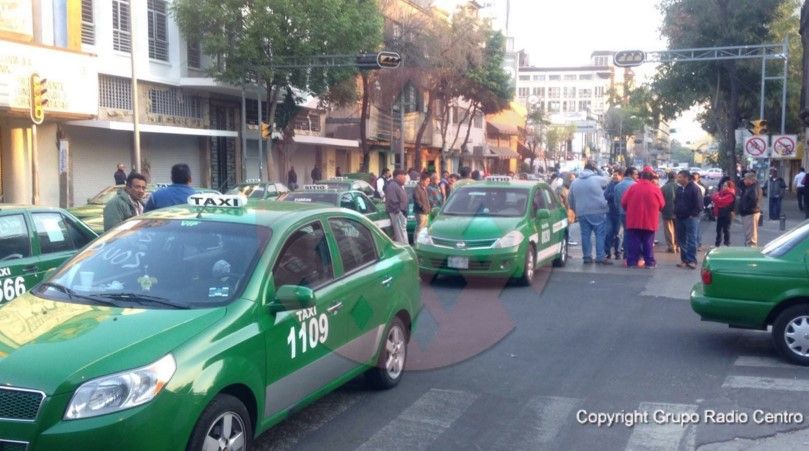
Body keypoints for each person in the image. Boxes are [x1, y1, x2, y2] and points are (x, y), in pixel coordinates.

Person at [621, 168, 665, 268]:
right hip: (650, 220)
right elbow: (662, 204)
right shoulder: (655, 189)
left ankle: (631, 262)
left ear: (641, 177)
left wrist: (629, 210)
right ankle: (650, 263)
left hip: (633, 220)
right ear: (651, 178)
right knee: (648, 243)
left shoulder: (632, 188)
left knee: (633, 243)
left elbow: (624, 202)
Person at [568, 162, 611, 265]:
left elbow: (570, 198)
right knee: (600, 234)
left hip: (582, 212)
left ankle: (587, 257)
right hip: (598, 211)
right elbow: (608, 179)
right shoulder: (597, 179)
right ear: (593, 170)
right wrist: (599, 169)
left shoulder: (575, 182)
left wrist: (574, 209)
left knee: (585, 235)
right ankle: (600, 257)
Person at [674, 170, 702, 269]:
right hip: (680, 217)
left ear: (686, 178)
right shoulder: (679, 189)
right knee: (681, 239)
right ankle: (684, 260)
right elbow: (676, 202)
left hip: (691, 218)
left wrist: (692, 214)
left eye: (680, 177)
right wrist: (676, 212)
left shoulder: (694, 188)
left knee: (691, 239)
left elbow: (699, 204)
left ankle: (692, 260)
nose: (678, 179)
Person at [614, 167, 638, 258]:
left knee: (626, 233)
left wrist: (620, 209)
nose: (637, 176)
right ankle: (631, 254)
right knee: (633, 234)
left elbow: (616, 202)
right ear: (630, 174)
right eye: (635, 174)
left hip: (622, 213)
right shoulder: (635, 185)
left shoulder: (618, 186)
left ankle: (626, 254)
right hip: (633, 214)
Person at [603, 169, 624, 259]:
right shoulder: (610, 184)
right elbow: (605, 195)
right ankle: (607, 252)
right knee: (608, 232)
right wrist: (614, 194)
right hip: (610, 212)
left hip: (619, 213)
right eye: (613, 175)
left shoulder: (622, 185)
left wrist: (612, 195)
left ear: (621, 176)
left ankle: (617, 252)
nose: (614, 177)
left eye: (616, 175)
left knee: (618, 234)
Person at [384, 169, 409, 244]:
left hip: (400, 214)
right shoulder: (392, 186)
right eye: (403, 176)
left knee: (402, 235)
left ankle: (405, 248)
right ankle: (403, 249)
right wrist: (399, 212)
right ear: (398, 176)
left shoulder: (398, 185)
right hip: (397, 214)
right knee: (401, 237)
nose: (405, 178)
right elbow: (392, 201)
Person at [739, 172, 762, 247]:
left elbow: (754, 200)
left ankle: (751, 249)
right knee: (748, 233)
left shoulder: (754, 188)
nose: (744, 181)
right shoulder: (749, 187)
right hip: (749, 213)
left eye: (745, 179)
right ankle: (749, 247)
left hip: (751, 213)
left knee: (751, 235)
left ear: (750, 180)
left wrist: (745, 208)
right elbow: (740, 183)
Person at [712, 180, 737, 247]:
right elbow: (715, 199)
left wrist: (716, 197)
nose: (723, 187)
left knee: (726, 230)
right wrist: (717, 198)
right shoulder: (721, 193)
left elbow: (721, 201)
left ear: (729, 187)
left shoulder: (731, 194)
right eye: (723, 185)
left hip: (727, 214)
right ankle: (717, 244)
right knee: (718, 230)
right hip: (720, 213)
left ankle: (727, 243)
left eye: (725, 186)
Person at [661, 171, 678, 253]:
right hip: (678, 212)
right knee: (678, 230)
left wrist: (661, 209)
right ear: (676, 177)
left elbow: (661, 201)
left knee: (669, 230)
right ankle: (678, 246)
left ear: (668, 177)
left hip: (667, 212)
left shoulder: (663, 187)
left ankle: (671, 247)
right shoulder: (679, 187)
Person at [413, 173, 432, 239]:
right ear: (422, 181)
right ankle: (416, 241)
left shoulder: (424, 188)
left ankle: (421, 240)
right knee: (420, 228)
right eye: (427, 181)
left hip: (425, 212)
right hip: (420, 212)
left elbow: (426, 200)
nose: (428, 183)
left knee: (424, 229)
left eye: (429, 181)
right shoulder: (417, 188)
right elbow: (417, 200)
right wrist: (423, 208)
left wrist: (428, 208)